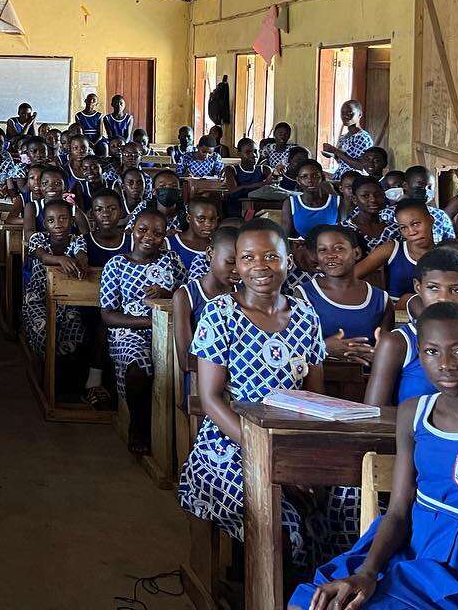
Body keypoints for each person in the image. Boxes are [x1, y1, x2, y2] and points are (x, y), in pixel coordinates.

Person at [293, 303, 458, 610]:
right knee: (313, 602)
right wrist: (367, 572)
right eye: (431, 351)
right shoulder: (414, 413)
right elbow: (398, 509)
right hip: (407, 542)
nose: (446, 364)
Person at [177, 220, 349, 566]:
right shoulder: (219, 314)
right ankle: (268, 590)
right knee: (283, 527)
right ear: (238, 265)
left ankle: (318, 594)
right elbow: (211, 399)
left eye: (271, 256)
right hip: (228, 445)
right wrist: (269, 454)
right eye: (249, 257)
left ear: (288, 260)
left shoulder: (305, 316)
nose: (260, 266)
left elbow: (314, 397)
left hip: (292, 440)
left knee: (349, 502)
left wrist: (306, 461)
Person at [366, 247, 458, 408]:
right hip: (411, 431)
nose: (443, 297)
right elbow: (375, 412)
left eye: (456, 290)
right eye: (433, 288)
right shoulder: (398, 342)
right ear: (418, 288)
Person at [101, 209, 186, 452]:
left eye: (158, 233)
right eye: (143, 230)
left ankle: (174, 433)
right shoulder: (116, 265)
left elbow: (186, 296)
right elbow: (107, 315)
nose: (149, 236)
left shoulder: (171, 260)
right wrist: (148, 323)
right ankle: (139, 428)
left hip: (169, 327)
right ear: (132, 231)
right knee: (139, 366)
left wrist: (167, 295)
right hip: (129, 330)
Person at [299, 225, 392, 367]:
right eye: (323, 250)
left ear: (356, 253)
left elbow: (386, 348)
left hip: (367, 380)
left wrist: (379, 353)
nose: (331, 255)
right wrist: (324, 348)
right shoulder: (304, 294)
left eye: (338, 248)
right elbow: (294, 347)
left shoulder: (380, 299)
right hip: (319, 379)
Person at [172, 227, 239, 404]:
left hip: (239, 381)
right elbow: (187, 361)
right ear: (210, 253)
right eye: (231, 261)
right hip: (201, 381)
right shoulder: (186, 296)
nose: (237, 270)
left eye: (243, 261)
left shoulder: (244, 293)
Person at [21, 198, 86, 364]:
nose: (57, 224)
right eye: (51, 220)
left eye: (63, 219)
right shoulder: (38, 238)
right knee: (44, 335)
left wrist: (81, 261)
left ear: (72, 221)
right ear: (45, 223)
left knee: (73, 338)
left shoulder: (76, 240)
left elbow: (81, 256)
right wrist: (60, 259)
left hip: (68, 299)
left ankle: (60, 374)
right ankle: (44, 369)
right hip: (38, 298)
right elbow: (43, 257)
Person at [359, 198, 438, 296]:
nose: (411, 232)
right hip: (394, 310)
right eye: (403, 227)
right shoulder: (392, 249)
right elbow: (351, 276)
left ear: (431, 220)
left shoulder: (445, 254)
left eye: (416, 224)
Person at [281, 159, 342, 241]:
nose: (310, 180)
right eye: (304, 177)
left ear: (322, 178)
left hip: (329, 250)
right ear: (298, 181)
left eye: (315, 176)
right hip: (303, 250)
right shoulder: (291, 203)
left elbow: (343, 234)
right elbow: (285, 237)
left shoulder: (337, 201)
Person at [320, 100, 374, 172]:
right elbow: (342, 162)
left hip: (354, 178)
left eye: (350, 113)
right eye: (343, 113)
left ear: (360, 114)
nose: (345, 116)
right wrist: (332, 154)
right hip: (341, 175)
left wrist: (335, 151)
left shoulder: (362, 137)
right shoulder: (344, 137)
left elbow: (362, 166)